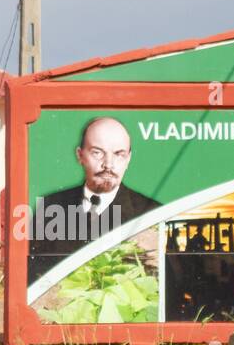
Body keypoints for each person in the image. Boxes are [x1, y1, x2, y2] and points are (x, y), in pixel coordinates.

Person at [27, 116, 160, 282]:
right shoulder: (50, 206)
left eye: (119, 154)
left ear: (128, 159)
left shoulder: (152, 212)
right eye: (97, 153)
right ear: (80, 155)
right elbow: (31, 274)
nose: (108, 164)